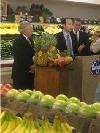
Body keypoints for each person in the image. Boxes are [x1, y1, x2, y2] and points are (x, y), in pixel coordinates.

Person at [11, 21, 35, 90]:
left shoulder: (30, 39)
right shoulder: (18, 41)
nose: (32, 30)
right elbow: (19, 58)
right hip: (21, 74)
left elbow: (31, 54)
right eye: (30, 29)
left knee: (29, 93)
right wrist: (31, 66)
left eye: (32, 29)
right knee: (20, 95)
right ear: (23, 30)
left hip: (29, 74)